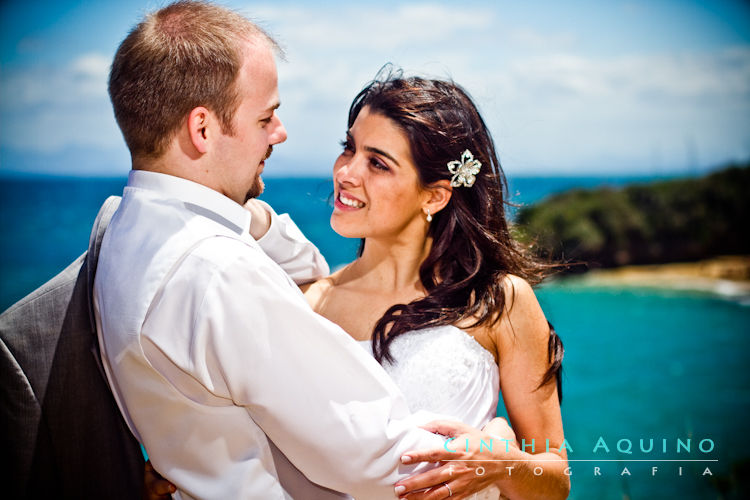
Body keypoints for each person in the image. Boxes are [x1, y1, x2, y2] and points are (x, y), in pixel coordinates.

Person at [94, 2, 464, 499]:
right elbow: (376, 457)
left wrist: (248, 215)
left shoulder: (120, 225)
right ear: (202, 129)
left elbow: (304, 275)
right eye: (266, 117)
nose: (280, 133)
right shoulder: (219, 273)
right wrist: (492, 451)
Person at [301, 71, 569, 499]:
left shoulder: (497, 302)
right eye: (348, 148)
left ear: (435, 196)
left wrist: (503, 465)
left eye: (378, 162)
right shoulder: (307, 304)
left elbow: (554, 479)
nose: (346, 172)